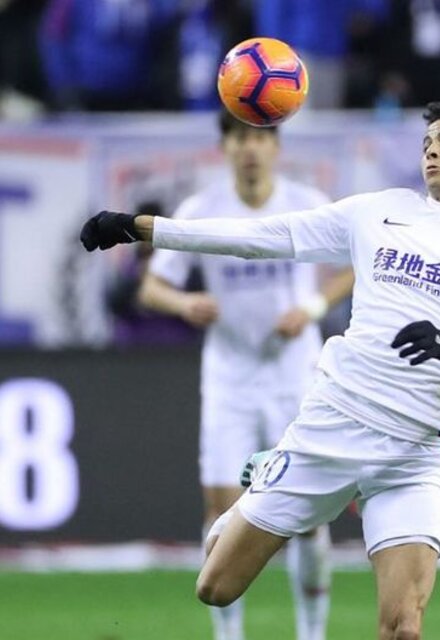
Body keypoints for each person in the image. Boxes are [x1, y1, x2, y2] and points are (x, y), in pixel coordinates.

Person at [80, 101, 440, 640]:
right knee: (215, 584)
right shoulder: (379, 211)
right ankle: (269, 476)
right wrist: (142, 229)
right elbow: (258, 238)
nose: (433, 151)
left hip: (414, 454)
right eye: (426, 144)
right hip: (333, 427)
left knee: (403, 628)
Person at [137, 110, 353, 640]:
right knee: (222, 507)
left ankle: (311, 632)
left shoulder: (305, 204)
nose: (250, 149)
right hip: (230, 375)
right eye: (239, 139)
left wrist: (311, 302)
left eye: (260, 138)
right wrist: (184, 302)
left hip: (297, 373)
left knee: (307, 510)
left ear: (276, 147)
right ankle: (228, 635)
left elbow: (355, 262)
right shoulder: (202, 210)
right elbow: (150, 287)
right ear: (225, 148)